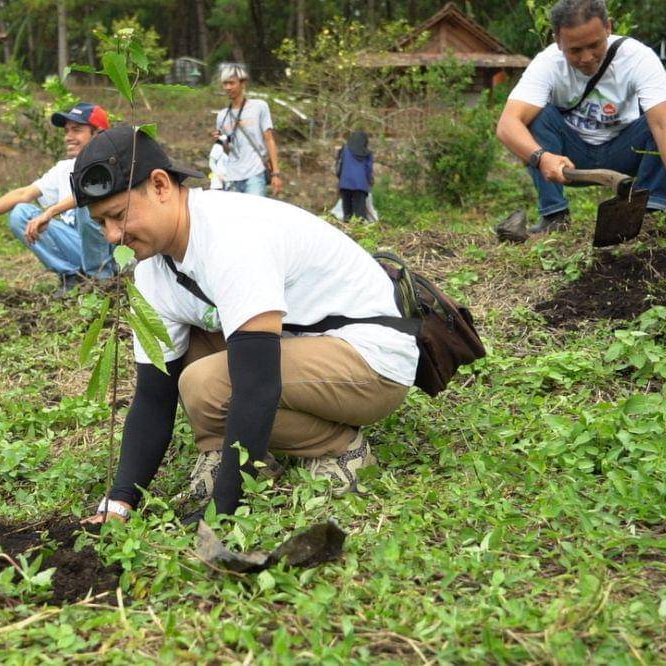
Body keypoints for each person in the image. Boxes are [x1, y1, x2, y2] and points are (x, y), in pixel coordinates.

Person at [74, 126, 418, 525]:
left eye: (118, 216)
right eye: (101, 223)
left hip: (370, 359)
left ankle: (340, 447)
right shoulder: (154, 269)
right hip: (303, 344)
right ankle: (230, 453)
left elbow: (256, 385)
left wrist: (223, 509)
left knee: (207, 385)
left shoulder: (229, 236)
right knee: (189, 351)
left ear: (160, 185)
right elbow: (154, 395)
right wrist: (119, 502)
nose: (114, 235)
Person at [496, 0, 666, 232]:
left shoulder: (638, 57)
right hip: (569, 159)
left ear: (608, 28)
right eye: (575, 50)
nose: (587, 57)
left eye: (594, 45)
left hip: (626, 151)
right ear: (557, 41)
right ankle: (555, 217)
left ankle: (648, 212)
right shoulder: (547, 64)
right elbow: (507, 124)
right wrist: (542, 157)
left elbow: (663, 123)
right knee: (535, 116)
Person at [0, 102, 114, 295]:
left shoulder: (108, 164)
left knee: (88, 204)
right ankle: (73, 276)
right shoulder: (65, 168)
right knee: (21, 213)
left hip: (110, 252)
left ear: (98, 134)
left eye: (77, 130)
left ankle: (103, 282)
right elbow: (23, 194)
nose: (69, 137)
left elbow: (86, 195)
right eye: (67, 131)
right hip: (81, 246)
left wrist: (50, 212)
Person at [213, 64, 282, 197]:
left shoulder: (259, 107)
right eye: (225, 84)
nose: (227, 87)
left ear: (243, 83)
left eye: (231, 83)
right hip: (231, 176)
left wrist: (276, 174)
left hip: (255, 174)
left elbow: (269, 140)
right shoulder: (222, 115)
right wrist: (221, 141)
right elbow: (226, 150)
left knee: (255, 215)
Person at [335, 131, 375, 222]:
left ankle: (346, 228)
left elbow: (338, 165)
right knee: (360, 213)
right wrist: (370, 181)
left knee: (347, 213)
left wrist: (340, 178)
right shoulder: (367, 153)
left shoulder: (345, 149)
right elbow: (368, 170)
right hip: (361, 186)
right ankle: (359, 231)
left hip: (345, 184)